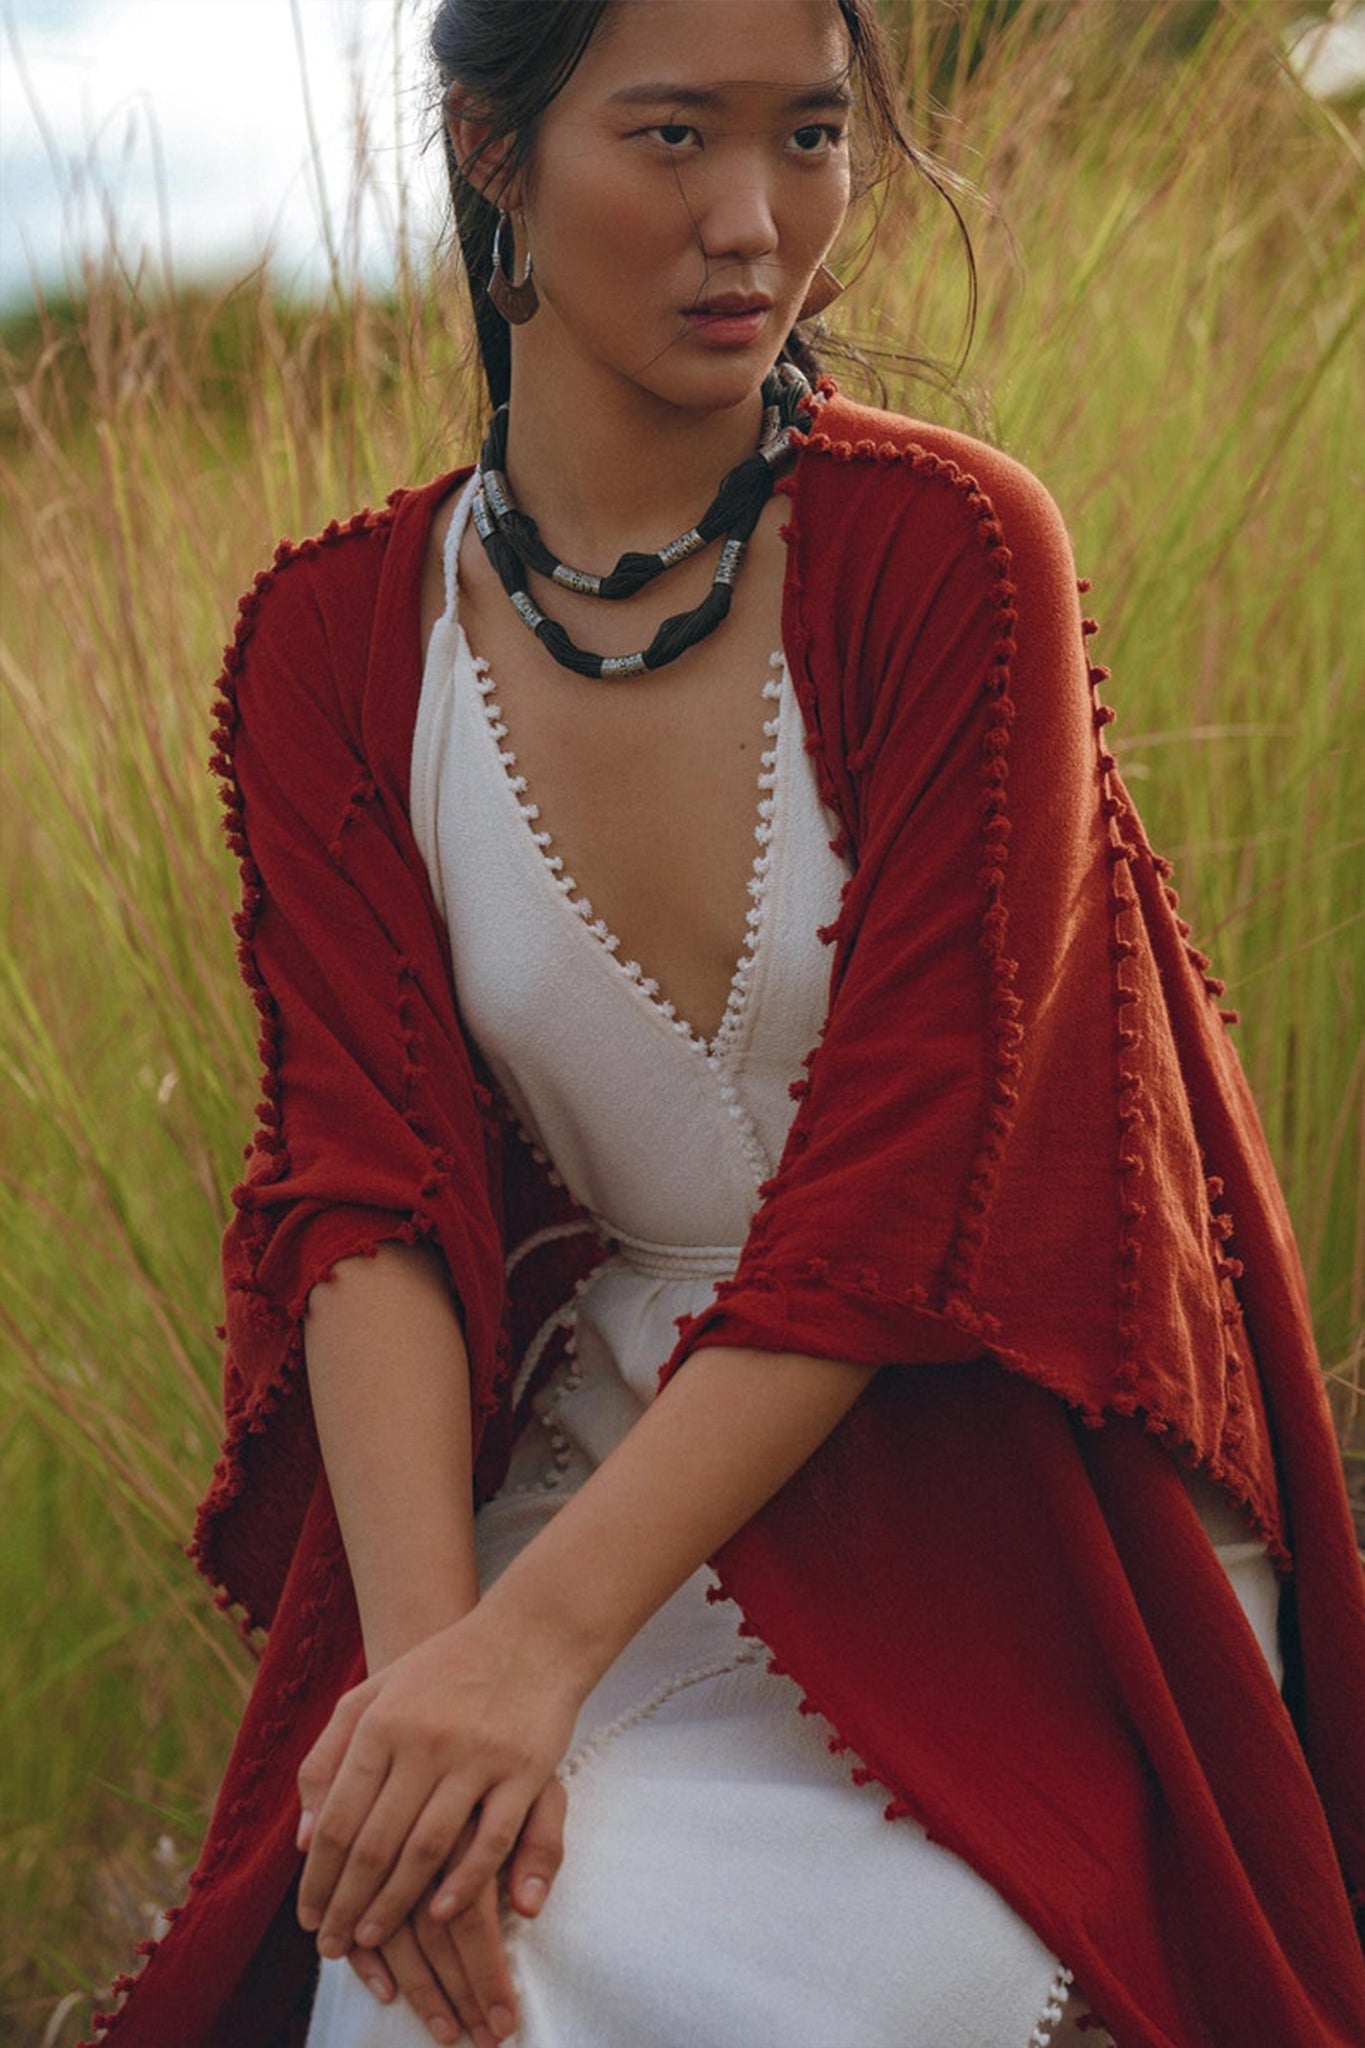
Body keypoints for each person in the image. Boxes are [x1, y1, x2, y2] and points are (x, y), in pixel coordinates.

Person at [86, 4, 1365, 2046]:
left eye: (808, 140)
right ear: (490, 154)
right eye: (671, 137)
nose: (752, 225)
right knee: (425, 1979)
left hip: (987, 1479)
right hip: (588, 1468)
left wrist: (534, 1653)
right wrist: (437, 1680)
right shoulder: (331, 646)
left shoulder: (948, 553)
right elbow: (366, 1197)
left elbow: (915, 1172)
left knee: (797, 1983)